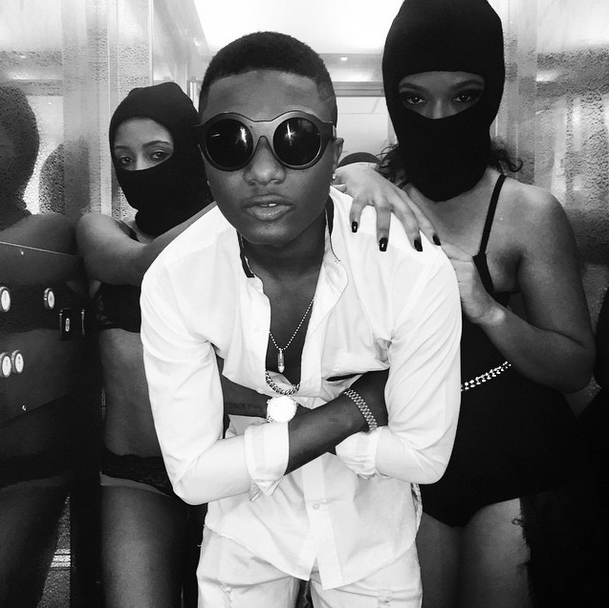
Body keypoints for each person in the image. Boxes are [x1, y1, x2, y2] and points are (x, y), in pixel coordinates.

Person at [140, 31, 462, 608]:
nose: (263, 171)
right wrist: (359, 405)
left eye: (296, 138)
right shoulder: (176, 279)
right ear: (204, 158)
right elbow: (192, 477)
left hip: (371, 542)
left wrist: (259, 414)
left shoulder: (409, 268)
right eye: (230, 141)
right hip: (245, 534)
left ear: (334, 153)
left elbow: (423, 458)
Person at [335, 1, 607, 606]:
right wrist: (350, 175)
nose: (438, 118)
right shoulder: (369, 206)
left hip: (515, 457)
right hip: (404, 460)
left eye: (463, 97)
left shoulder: (528, 213)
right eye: (414, 98)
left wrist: (486, 308)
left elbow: (574, 366)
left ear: (492, 96)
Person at [76, 82, 213, 608]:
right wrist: (236, 204)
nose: (140, 170)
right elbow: (140, 266)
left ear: (192, 151)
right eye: (124, 159)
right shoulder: (101, 231)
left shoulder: (237, 243)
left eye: (158, 154)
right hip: (134, 475)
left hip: (227, 467)